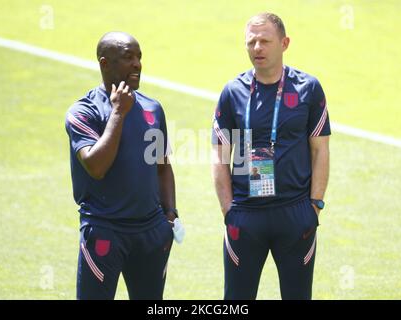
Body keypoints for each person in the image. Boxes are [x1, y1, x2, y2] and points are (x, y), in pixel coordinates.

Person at [212, 12, 330, 300]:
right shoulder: (232, 92)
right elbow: (219, 155)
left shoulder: (308, 88)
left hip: (295, 213)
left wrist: (314, 206)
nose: (257, 48)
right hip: (246, 215)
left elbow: (320, 150)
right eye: (251, 42)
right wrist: (229, 209)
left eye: (265, 41)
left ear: (285, 43)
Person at [65, 31, 183, 300]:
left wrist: (170, 216)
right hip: (105, 231)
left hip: (152, 233)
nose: (138, 64)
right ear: (105, 63)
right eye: (128, 58)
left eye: (139, 57)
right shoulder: (84, 112)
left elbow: (162, 166)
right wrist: (118, 112)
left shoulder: (153, 109)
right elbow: (96, 166)